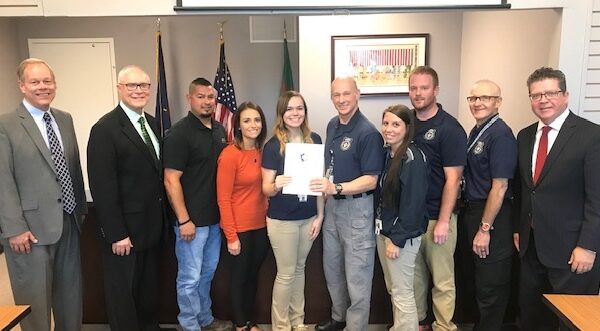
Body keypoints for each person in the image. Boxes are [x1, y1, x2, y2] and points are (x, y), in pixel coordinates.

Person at [0, 58, 86, 331]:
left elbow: (73, 167)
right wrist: (14, 228)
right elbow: (3, 179)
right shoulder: (6, 125)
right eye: (35, 82)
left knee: (71, 298)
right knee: (35, 303)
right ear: (22, 86)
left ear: (55, 84)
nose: (42, 87)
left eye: (47, 81)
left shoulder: (64, 119)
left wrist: (80, 211)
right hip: (29, 231)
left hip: (69, 221)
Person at [514, 67, 600, 330]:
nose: (543, 100)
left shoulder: (591, 136)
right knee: (532, 318)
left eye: (550, 93)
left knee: (571, 322)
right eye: (536, 94)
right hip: (532, 249)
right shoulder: (525, 136)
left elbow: (597, 198)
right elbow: (526, 189)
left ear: (565, 95)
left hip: (573, 252)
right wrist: (520, 230)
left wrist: (588, 246)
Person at [87, 65, 168, 331]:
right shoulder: (105, 129)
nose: (139, 91)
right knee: (123, 296)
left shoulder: (152, 124)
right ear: (120, 88)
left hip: (150, 227)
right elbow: (103, 188)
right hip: (124, 233)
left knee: (146, 291)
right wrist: (116, 233)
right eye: (132, 86)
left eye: (144, 85)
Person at [310, 77, 385, 331]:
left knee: (357, 277)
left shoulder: (368, 133)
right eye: (336, 95)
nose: (341, 99)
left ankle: (355, 327)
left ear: (358, 95)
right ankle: (338, 318)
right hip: (332, 208)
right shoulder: (332, 125)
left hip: (356, 210)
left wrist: (337, 188)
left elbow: (371, 180)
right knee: (333, 269)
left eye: (346, 94)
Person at [163, 77, 230, 331]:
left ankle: (205, 319)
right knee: (189, 278)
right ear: (189, 98)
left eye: (210, 97)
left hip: (214, 220)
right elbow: (171, 180)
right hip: (191, 223)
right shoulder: (179, 134)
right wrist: (184, 220)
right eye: (200, 96)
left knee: (206, 275)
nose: (206, 101)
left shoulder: (219, 130)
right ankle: (189, 325)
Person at [409, 66, 466, 331]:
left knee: (442, 281)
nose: (418, 93)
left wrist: (444, 220)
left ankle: (443, 326)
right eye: (413, 88)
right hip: (411, 218)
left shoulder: (449, 128)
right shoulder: (406, 123)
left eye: (424, 88)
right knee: (415, 278)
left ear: (436, 90)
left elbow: (453, 180)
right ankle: (420, 323)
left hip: (436, 218)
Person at [261, 91, 324, 331]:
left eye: (299, 108)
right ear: (281, 113)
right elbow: (265, 188)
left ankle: (298, 322)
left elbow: (319, 185)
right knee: (286, 273)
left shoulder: (314, 140)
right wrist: (276, 184)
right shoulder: (273, 146)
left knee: (300, 270)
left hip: (308, 217)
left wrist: (320, 216)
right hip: (282, 221)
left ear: (305, 112)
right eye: (289, 109)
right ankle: (281, 325)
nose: (295, 113)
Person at [462, 80, 516, 331]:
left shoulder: (501, 135)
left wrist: (485, 229)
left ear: (498, 102)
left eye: (484, 98)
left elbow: (500, 186)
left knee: (491, 287)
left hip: (492, 217)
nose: (478, 103)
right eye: (473, 98)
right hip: (475, 211)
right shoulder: (478, 130)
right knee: (481, 282)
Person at [217, 102, 269, 331]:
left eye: (257, 120)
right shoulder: (229, 155)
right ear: (237, 125)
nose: (253, 125)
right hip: (239, 228)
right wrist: (231, 236)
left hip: (261, 226)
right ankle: (240, 325)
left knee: (252, 276)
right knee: (239, 278)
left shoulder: (264, 151)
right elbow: (223, 199)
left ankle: (249, 321)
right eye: (247, 120)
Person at [376, 105, 428, 331]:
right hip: (386, 233)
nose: (389, 129)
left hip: (400, 238)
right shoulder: (390, 154)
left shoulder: (412, 157)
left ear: (407, 128)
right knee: (394, 289)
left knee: (402, 291)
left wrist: (397, 239)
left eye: (395, 124)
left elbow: (413, 205)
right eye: (386, 123)